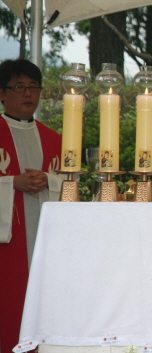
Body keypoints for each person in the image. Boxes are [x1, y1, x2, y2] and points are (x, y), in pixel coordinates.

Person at [0, 59, 63, 353]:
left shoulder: (55, 140)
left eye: (33, 87)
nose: (28, 94)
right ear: (2, 93)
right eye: (19, 87)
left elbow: (72, 184)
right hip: (8, 248)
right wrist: (12, 183)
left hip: (46, 242)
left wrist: (49, 181)